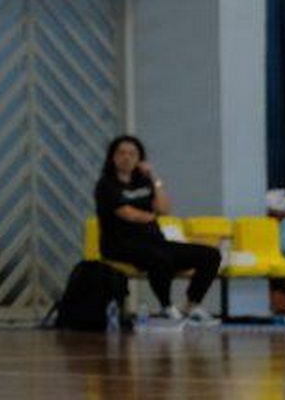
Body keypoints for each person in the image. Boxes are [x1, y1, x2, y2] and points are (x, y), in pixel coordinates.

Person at [93, 135, 220, 325]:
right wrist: (151, 216)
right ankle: (166, 307)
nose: (127, 157)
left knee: (210, 255)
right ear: (112, 157)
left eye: (132, 154)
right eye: (121, 153)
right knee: (160, 258)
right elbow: (127, 213)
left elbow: (164, 208)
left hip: (154, 241)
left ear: (140, 159)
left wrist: (154, 178)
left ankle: (191, 305)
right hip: (120, 244)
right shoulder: (106, 184)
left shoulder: (145, 182)